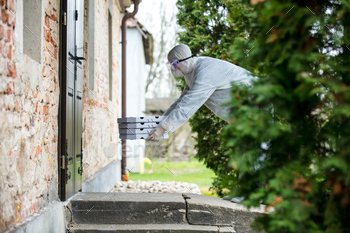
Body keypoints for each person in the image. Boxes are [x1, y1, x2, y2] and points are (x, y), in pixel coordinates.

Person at [146, 44, 255, 141]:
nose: (173, 68)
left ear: (185, 60)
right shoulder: (191, 74)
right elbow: (181, 102)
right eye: (170, 65)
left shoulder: (205, 70)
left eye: (174, 64)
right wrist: (161, 122)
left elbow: (189, 104)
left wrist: (163, 127)